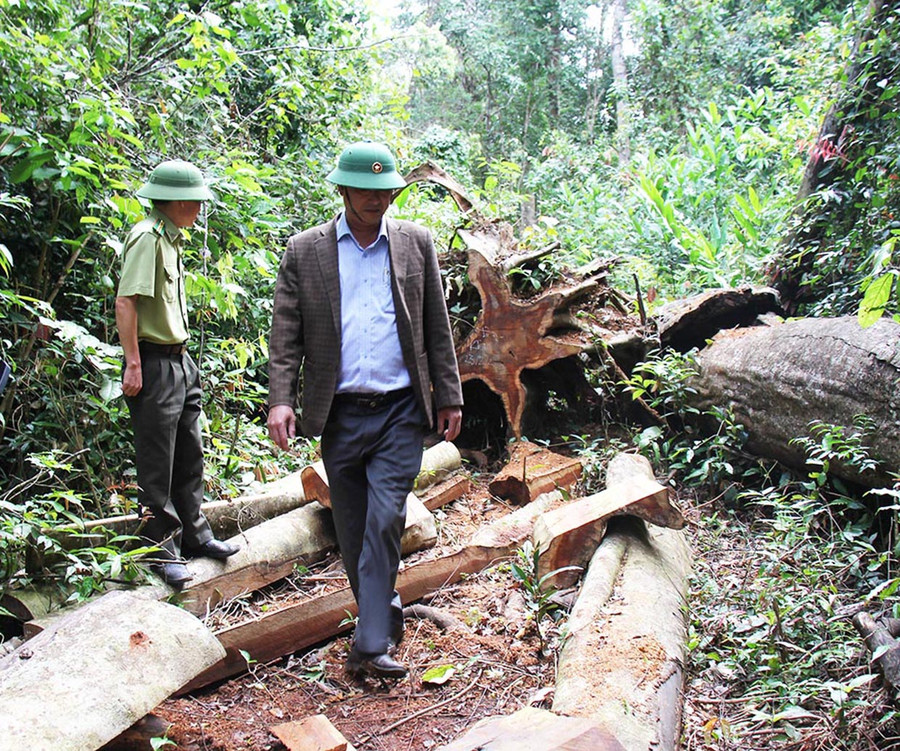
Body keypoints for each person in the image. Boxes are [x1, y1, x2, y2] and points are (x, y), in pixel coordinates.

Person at [267, 142, 463, 679]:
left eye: (385, 190)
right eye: (366, 190)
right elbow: (286, 336)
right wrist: (281, 399)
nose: (377, 199)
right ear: (343, 190)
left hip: (401, 409)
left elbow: (436, 327)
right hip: (340, 414)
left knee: (384, 518)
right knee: (353, 528)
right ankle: (385, 609)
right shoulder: (305, 252)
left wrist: (449, 394)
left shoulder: (414, 243)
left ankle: (370, 644)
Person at [115, 159, 239, 588]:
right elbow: (126, 302)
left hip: (179, 360)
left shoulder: (170, 239)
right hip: (153, 362)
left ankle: (196, 537)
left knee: (189, 452)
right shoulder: (146, 238)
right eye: (195, 202)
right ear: (175, 201)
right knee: (157, 465)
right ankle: (162, 551)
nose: (200, 210)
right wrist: (133, 362)